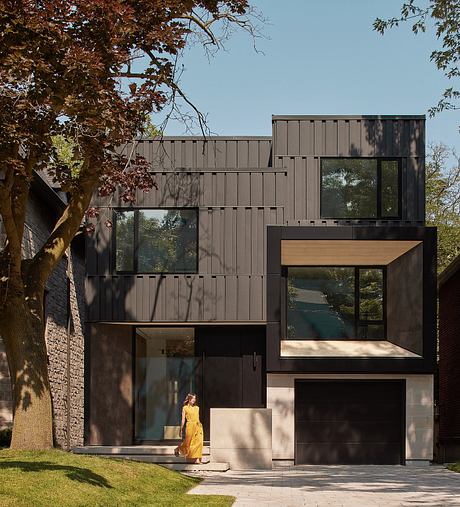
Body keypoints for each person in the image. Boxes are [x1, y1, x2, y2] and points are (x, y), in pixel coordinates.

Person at [174, 393, 208, 464]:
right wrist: (181, 429)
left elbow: (197, 418)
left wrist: (199, 426)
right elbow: (183, 420)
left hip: (198, 426)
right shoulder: (185, 408)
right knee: (188, 442)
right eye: (193, 399)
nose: (194, 400)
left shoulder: (197, 408)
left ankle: (197, 459)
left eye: (195, 399)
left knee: (199, 442)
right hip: (190, 426)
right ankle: (177, 449)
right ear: (189, 399)